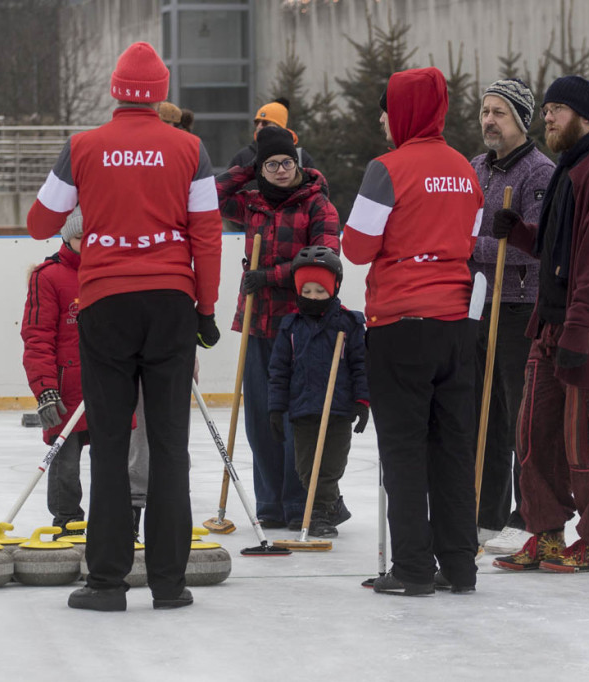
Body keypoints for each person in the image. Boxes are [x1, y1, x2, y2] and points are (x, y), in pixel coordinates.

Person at [27, 41, 222, 611]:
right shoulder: (190, 148)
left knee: (110, 447)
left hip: (105, 302)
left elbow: (41, 218)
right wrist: (205, 310)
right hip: (170, 303)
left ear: (115, 89)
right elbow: (206, 234)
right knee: (168, 447)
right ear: (160, 92)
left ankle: (107, 583)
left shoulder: (83, 146)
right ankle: (169, 583)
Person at [489, 75, 589, 573]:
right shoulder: (572, 168)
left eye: (555, 110)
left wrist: (580, 330)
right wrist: (521, 235)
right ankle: (547, 535)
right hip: (552, 328)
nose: (547, 119)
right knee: (536, 436)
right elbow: (563, 250)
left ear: (583, 114)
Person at [342, 68, 484, 596]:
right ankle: (460, 565)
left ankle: (413, 569)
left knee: (403, 449)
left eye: (386, 108)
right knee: (452, 446)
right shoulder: (465, 171)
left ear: (402, 111)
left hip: (400, 325)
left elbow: (356, 248)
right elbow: (470, 239)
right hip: (455, 325)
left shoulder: (387, 168)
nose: (382, 119)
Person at [216, 126, 340, 530]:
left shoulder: (318, 205)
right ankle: (269, 503)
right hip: (258, 324)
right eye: (272, 164)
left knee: (296, 419)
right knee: (260, 419)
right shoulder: (251, 204)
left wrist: (267, 276)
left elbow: (323, 262)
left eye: (287, 162)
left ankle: (298, 502)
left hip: (301, 327)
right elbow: (206, 198)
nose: (282, 170)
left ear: (298, 163)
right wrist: (246, 169)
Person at [21, 207, 150, 540]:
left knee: (112, 461)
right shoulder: (47, 277)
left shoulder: (115, 273)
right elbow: (36, 338)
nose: (89, 245)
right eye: (81, 238)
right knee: (65, 463)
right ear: (68, 237)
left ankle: (115, 523)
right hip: (67, 390)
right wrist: (45, 389)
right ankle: (67, 523)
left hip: (112, 386)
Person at [469, 79, 555, 555]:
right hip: (480, 304)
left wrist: (471, 247)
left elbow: (536, 246)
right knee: (483, 409)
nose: (488, 120)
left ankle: (528, 514)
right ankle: (486, 511)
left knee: (519, 413)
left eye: (499, 112)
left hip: (520, 306)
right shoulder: (476, 167)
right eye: (484, 111)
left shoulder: (539, 173)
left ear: (521, 119)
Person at [267, 246, 368, 537]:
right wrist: (276, 408)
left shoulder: (348, 324)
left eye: (320, 291)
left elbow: (361, 366)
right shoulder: (291, 327)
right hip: (302, 410)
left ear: (334, 289)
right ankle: (331, 507)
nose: (312, 297)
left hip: (338, 410)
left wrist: (362, 402)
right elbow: (278, 371)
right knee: (306, 468)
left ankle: (321, 513)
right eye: (307, 290)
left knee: (330, 466)